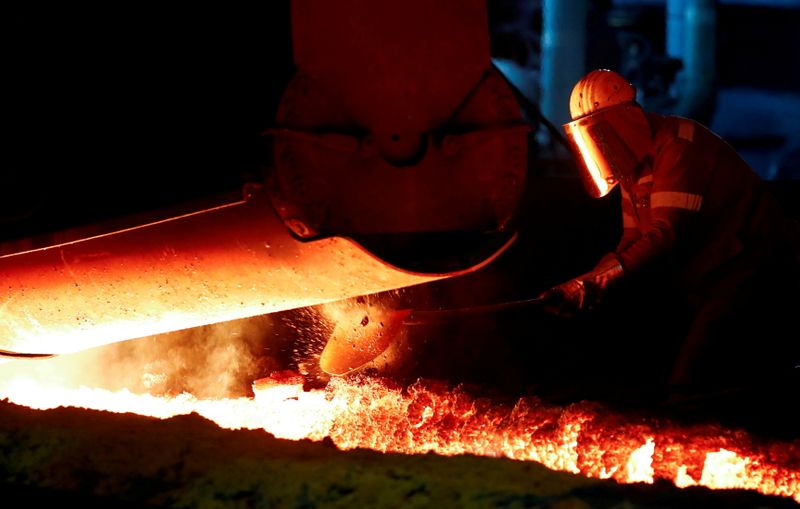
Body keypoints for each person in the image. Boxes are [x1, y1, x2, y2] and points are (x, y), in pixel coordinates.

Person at [539, 69, 800, 395]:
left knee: (691, 380)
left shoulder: (678, 144)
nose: (602, 145)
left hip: (749, 264)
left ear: (626, 119)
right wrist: (584, 285)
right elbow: (631, 243)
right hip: (710, 277)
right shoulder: (631, 169)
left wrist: (591, 283)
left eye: (604, 132)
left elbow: (665, 234)